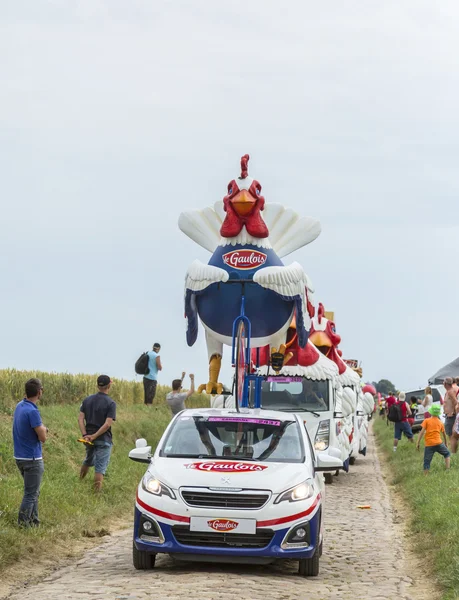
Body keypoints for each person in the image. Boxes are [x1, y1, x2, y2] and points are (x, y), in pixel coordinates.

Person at [12, 378, 48, 527]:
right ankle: (23, 524)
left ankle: (34, 522)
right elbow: (43, 437)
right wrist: (44, 430)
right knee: (31, 494)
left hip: (19, 457)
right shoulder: (33, 411)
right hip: (32, 458)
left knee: (33, 492)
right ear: (39, 392)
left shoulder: (20, 406)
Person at [78, 375, 116, 492]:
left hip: (88, 438)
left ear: (97, 385)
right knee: (100, 468)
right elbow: (107, 424)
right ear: (109, 385)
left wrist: (86, 435)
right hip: (103, 439)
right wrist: (95, 436)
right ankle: (96, 495)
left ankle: (79, 482)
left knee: (88, 460)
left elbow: (80, 419)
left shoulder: (87, 400)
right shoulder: (111, 403)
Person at [416, 404, 450, 474]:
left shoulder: (426, 421)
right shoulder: (440, 422)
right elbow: (444, 434)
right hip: (439, 443)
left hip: (429, 444)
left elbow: (421, 432)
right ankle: (447, 469)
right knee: (447, 453)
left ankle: (426, 475)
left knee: (427, 461)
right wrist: (446, 443)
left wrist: (418, 443)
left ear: (430, 412)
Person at [443, 377, 457, 446]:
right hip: (448, 415)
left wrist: (454, 412)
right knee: (450, 434)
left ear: (445, 383)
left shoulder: (450, 392)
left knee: (451, 434)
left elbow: (456, 402)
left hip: (451, 416)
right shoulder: (448, 392)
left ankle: (453, 450)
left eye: (443, 382)